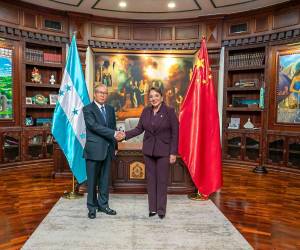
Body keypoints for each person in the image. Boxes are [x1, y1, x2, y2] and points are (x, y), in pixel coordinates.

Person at [122, 86, 179, 219]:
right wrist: (124, 135)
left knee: (162, 181)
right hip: (148, 151)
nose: (153, 98)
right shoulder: (146, 111)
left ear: (162, 97)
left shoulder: (169, 111)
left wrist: (173, 153)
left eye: (156, 96)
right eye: (151, 96)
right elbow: (138, 129)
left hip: (164, 151)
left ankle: (161, 209)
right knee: (151, 180)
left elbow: (176, 133)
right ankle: (152, 208)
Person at [83, 83, 123, 219]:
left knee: (105, 180)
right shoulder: (87, 109)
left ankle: (103, 205)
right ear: (95, 94)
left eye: (105, 93)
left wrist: (115, 147)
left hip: (108, 150)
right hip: (94, 150)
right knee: (92, 181)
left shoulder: (110, 109)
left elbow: (113, 126)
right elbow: (94, 126)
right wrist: (114, 133)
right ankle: (92, 207)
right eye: (100, 92)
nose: (102, 95)